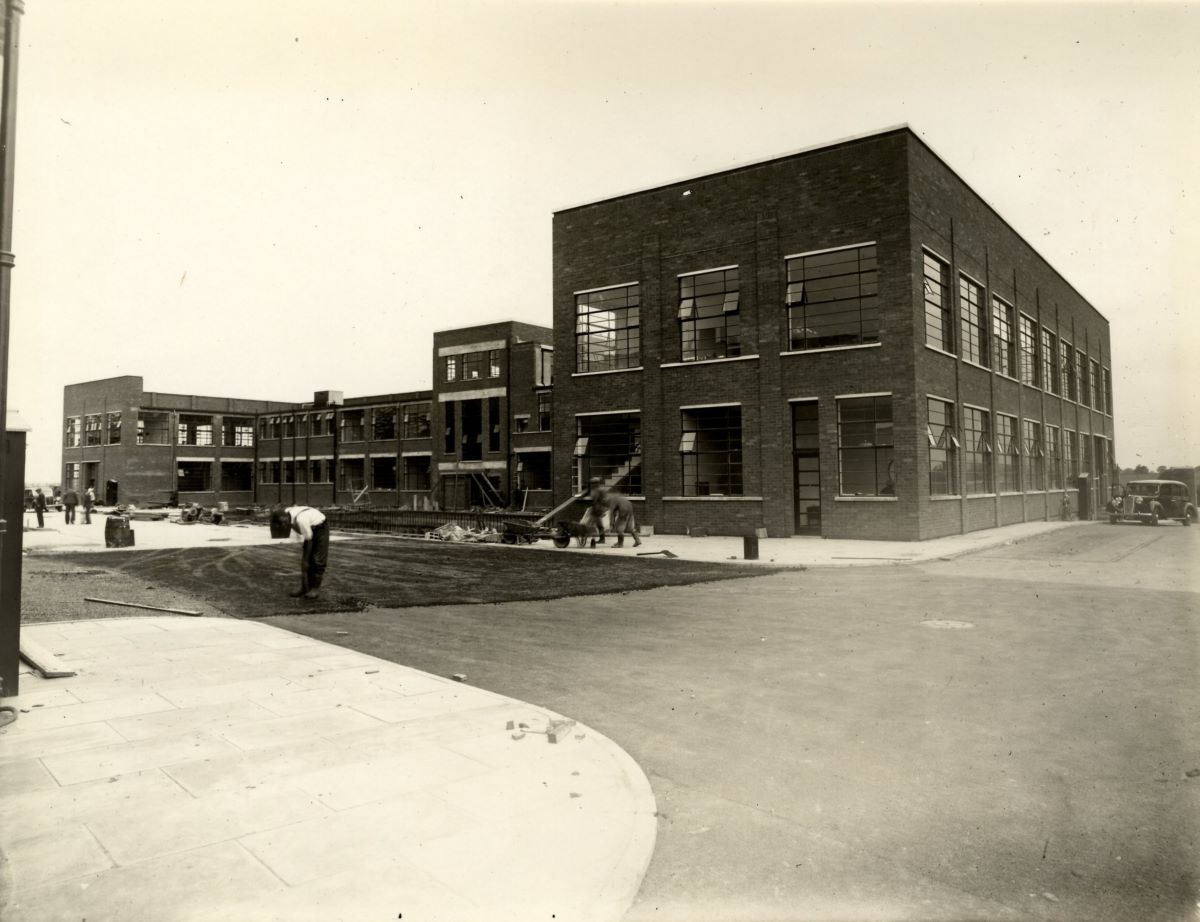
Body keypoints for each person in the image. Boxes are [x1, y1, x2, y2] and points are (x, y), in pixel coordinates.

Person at [270, 504, 329, 599]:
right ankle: (304, 588)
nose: (284, 526)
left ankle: (315, 589)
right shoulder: (287, 513)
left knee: (317, 558)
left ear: (285, 520)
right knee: (306, 561)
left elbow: (309, 538)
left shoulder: (301, 520)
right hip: (309, 526)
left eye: (284, 524)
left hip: (320, 527)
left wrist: (305, 560)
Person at [580, 477, 609, 545]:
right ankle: (602, 539)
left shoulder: (597, 490)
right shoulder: (599, 489)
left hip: (597, 510)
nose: (591, 485)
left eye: (592, 483)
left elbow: (595, 500)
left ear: (596, 484)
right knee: (599, 525)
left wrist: (596, 508)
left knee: (590, 524)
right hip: (598, 509)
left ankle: (601, 539)